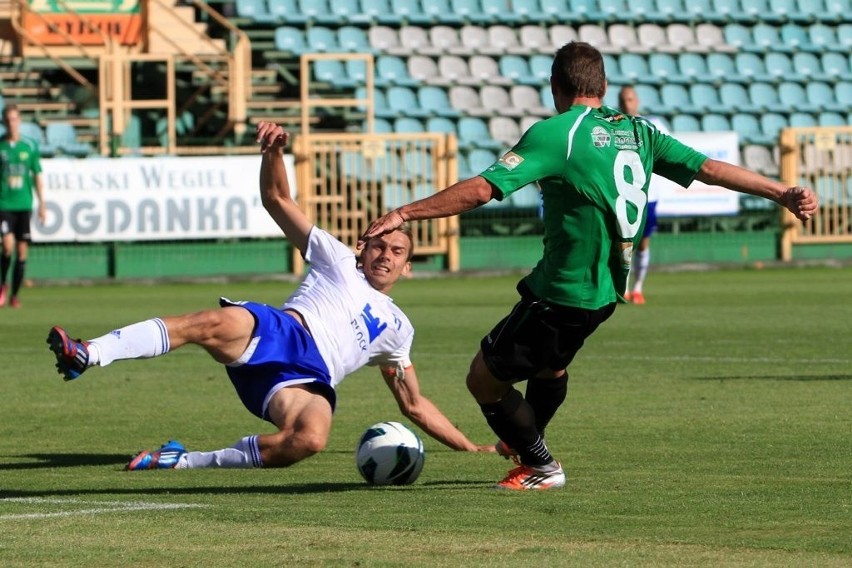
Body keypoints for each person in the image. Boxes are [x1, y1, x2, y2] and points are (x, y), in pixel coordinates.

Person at [359, 42, 817, 491]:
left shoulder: (559, 132)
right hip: (604, 292)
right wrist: (780, 192)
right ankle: (527, 440)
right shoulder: (639, 132)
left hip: (561, 290)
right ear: (603, 86)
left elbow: (483, 189)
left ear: (556, 86)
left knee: (483, 379)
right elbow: (709, 169)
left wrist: (405, 213)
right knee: (549, 370)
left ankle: (540, 462)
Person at [47, 121, 493, 472]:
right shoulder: (336, 258)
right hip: (278, 332)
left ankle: (182, 460)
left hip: (307, 379)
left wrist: (471, 447)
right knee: (212, 322)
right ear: (365, 245)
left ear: (408, 266)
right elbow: (277, 197)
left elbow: (413, 403)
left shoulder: (398, 329)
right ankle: (88, 353)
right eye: (380, 245)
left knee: (310, 439)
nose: (386, 256)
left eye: (397, 252)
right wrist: (274, 151)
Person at [617, 85, 668, 305]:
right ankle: (623, 288)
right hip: (623, 195)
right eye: (623, 100)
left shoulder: (653, 127)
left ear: (636, 101)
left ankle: (638, 287)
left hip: (649, 196)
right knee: (623, 243)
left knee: (644, 243)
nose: (627, 104)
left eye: (630, 99)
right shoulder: (615, 126)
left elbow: (667, 154)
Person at [0, 104, 46, 308]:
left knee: (21, 251)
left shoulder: (30, 145)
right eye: (8, 119)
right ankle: (2, 284)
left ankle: (15, 295)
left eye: (14, 119)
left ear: (19, 120)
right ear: (4, 122)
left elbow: (37, 175)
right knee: (7, 246)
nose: (11, 123)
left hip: (24, 204)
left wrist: (42, 203)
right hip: (4, 204)